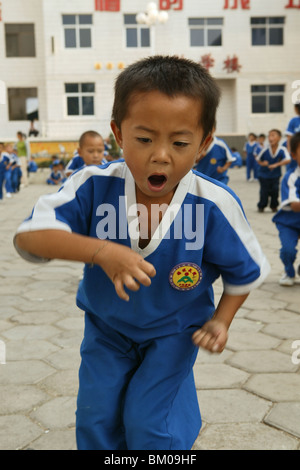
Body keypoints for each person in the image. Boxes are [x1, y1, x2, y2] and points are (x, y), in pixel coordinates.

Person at [14, 55, 270, 451]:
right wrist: (101, 252)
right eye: (145, 138)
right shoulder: (93, 185)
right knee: (95, 417)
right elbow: (30, 237)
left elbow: (246, 273)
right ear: (118, 132)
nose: (161, 155)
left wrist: (221, 321)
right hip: (107, 330)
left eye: (180, 142)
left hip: (175, 332)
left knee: (150, 422)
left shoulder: (212, 203)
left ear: (204, 143)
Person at [272, 132, 300, 286]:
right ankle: (289, 272)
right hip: (288, 222)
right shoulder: (291, 177)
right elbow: (295, 205)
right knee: (288, 250)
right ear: (294, 155)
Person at [256, 129, 291, 213]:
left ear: (279, 138)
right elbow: (258, 159)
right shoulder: (265, 150)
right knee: (264, 191)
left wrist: (276, 164)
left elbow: (288, 159)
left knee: (275, 190)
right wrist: (263, 163)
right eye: (269, 136)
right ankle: (262, 206)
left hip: (275, 175)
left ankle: (274, 206)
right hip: (264, 175)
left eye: (273, 135)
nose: (270, 138)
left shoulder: (282, 149)